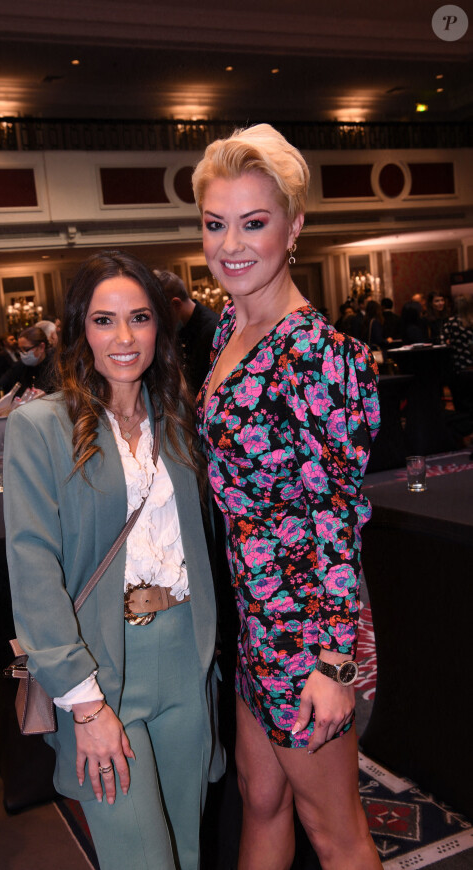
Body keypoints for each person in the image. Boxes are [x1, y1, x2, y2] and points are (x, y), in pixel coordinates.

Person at [192, 124, 382, 870]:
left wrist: (336, 663)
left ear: (294, 227)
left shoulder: (318, 354)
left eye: (254, 222)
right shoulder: (232, 331)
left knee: (335, 833)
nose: (230, 243)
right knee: (259, 797)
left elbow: (338, 518)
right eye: (215, 223)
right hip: (252, 617)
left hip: (305, 630)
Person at [4, 250, 224, 870]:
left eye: (140, 318)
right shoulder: (42, 426)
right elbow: (33, 568)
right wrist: (86, 705)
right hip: (99, 669)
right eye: (104, 320)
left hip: (187, 657)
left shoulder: (179, 418)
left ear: (162, 326)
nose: (124, 337)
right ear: (79, 331)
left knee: (185, 849)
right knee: (142, 859)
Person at [154, 269, 219, 397]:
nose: (159, 320)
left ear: (176, 304)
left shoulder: (211, 331)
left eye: (160, 313)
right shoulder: (185, 327)